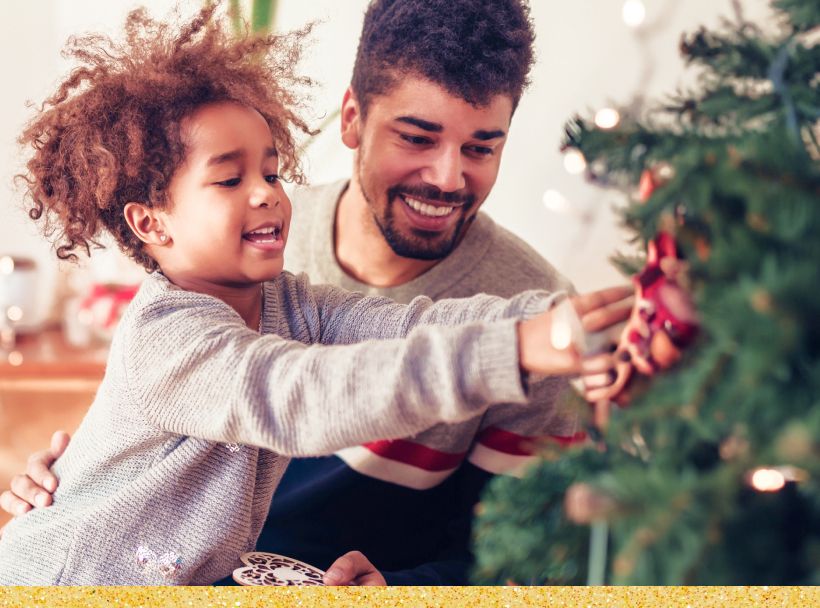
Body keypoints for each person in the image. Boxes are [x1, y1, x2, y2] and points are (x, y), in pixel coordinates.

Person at [0, 0, 629, 585]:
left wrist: (554, 321)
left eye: (272, 171)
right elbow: (300, 393)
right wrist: (68, 475)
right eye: (229, 178)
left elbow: (410, 328)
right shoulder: (175, 327)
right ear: (151, 223)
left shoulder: (283, 295)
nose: (267, 193)